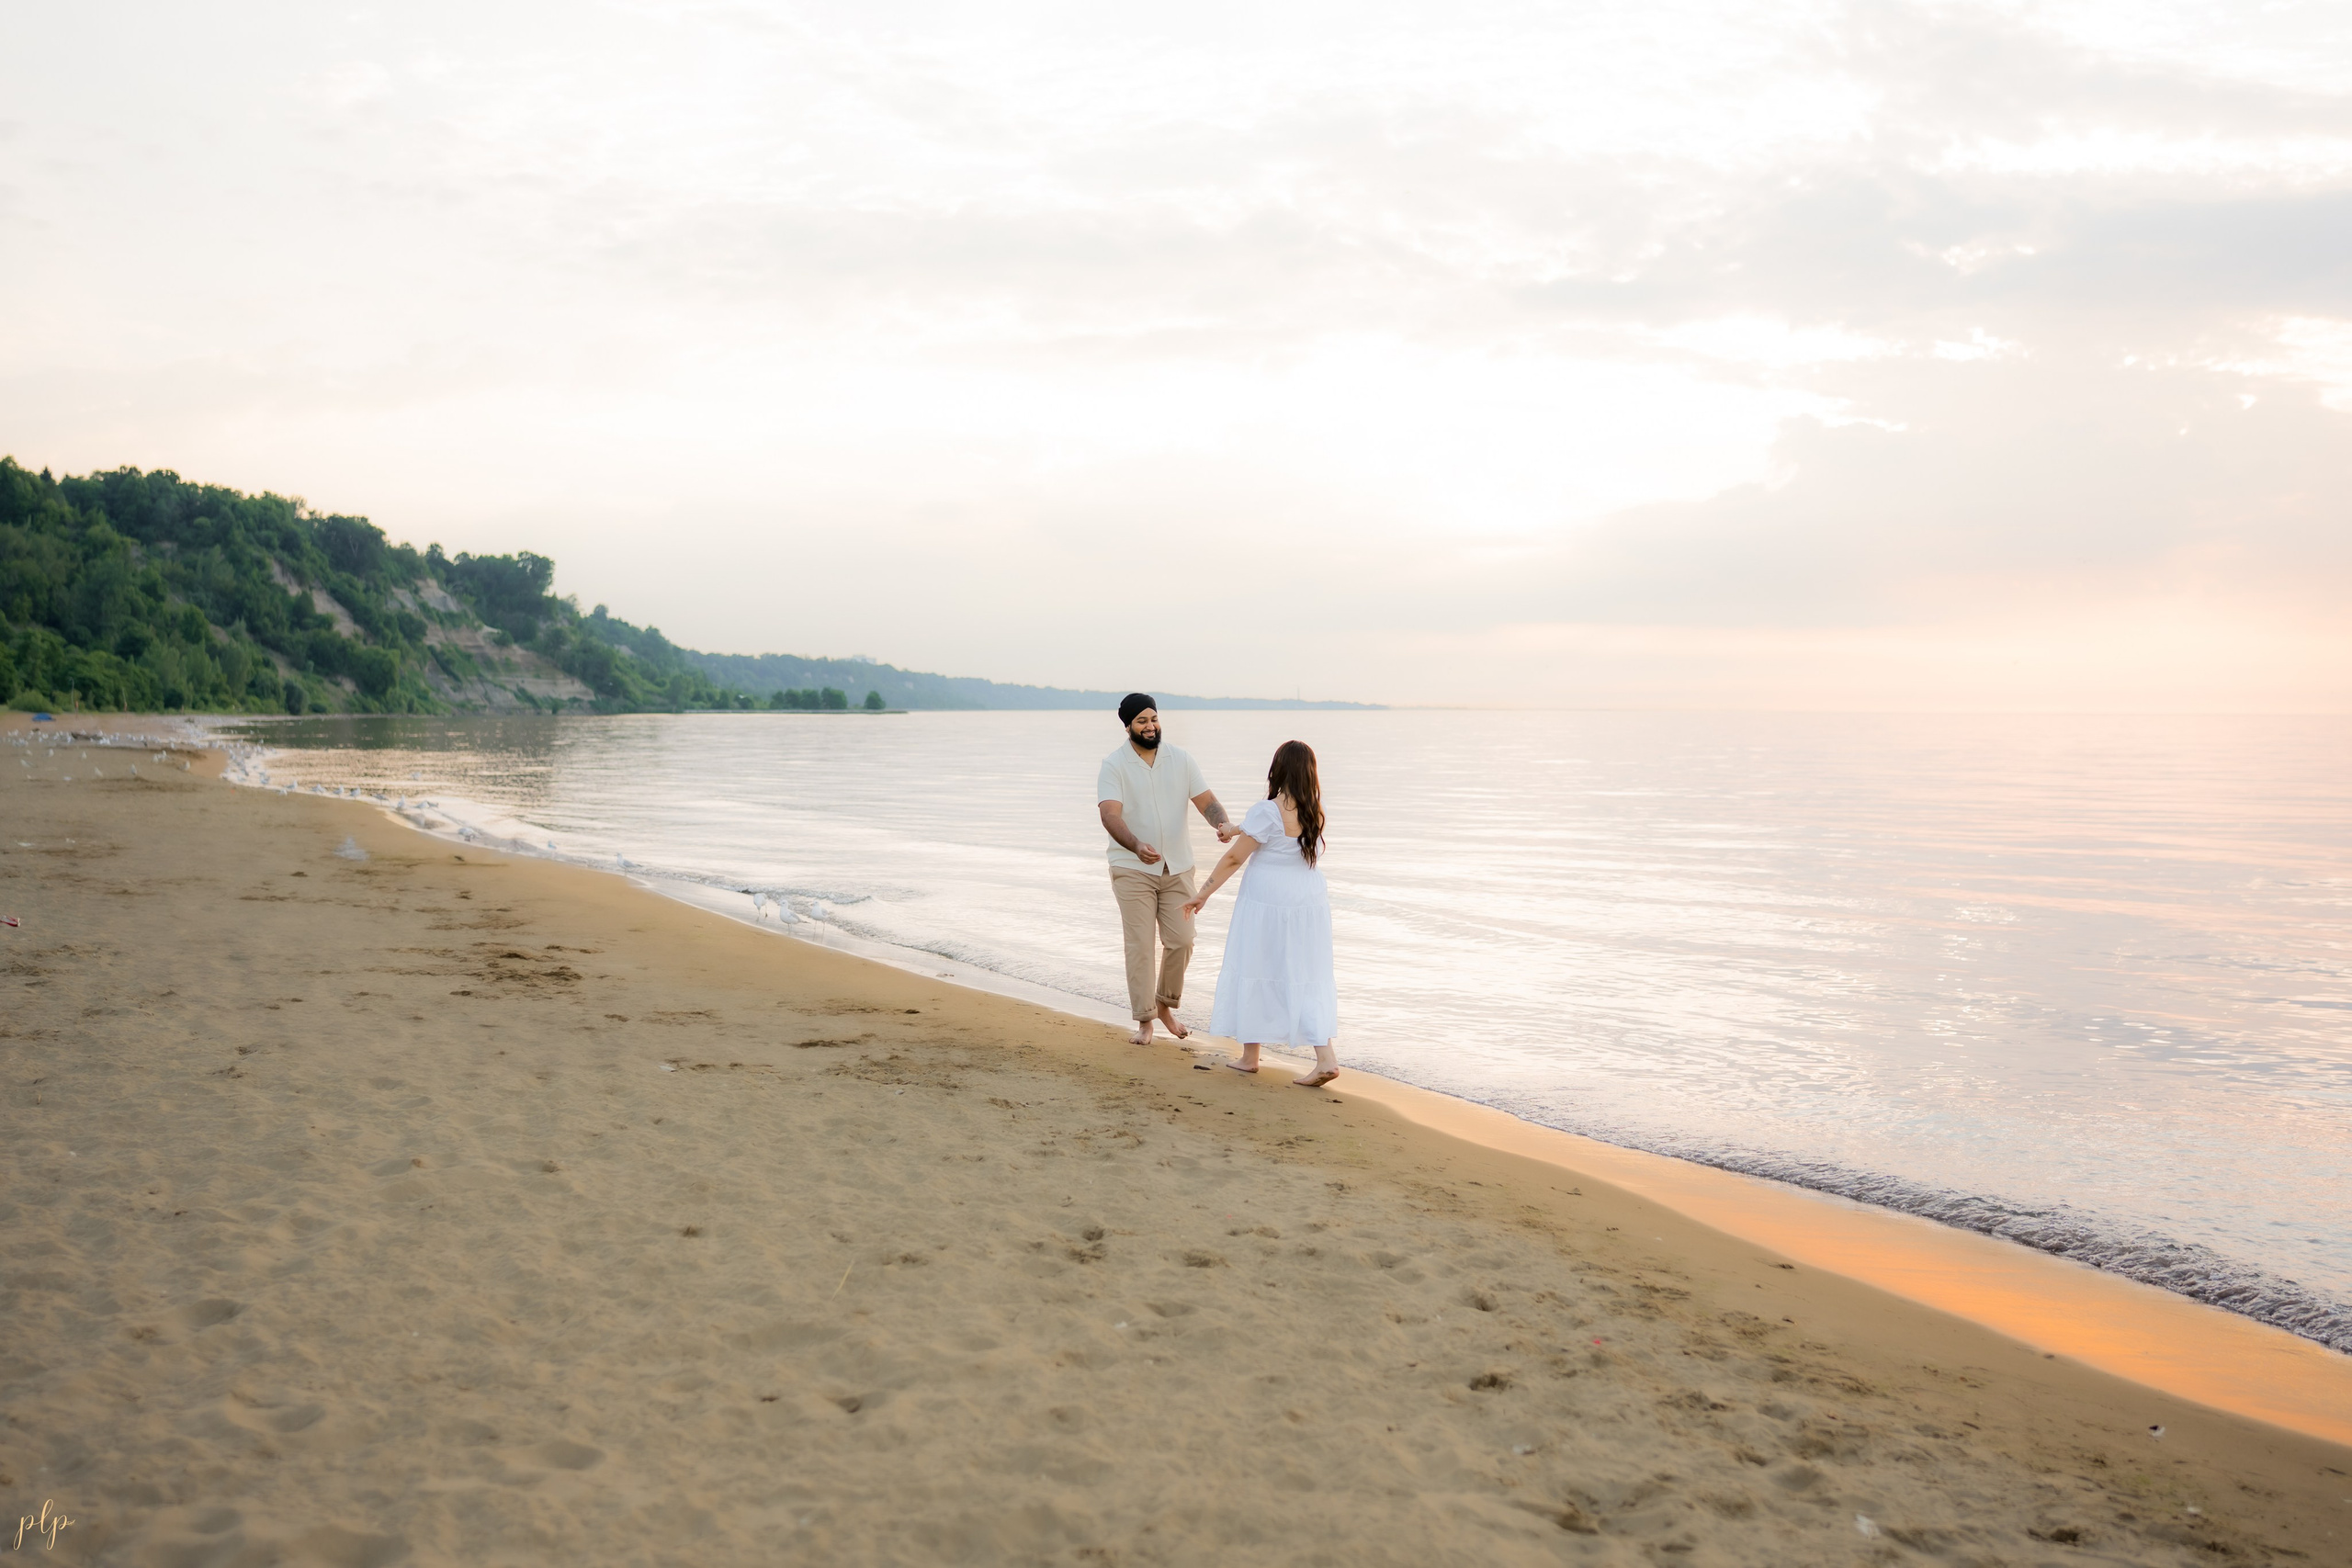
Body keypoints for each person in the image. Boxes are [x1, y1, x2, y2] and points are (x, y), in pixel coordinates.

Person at [1184, 739, 1339, 1088]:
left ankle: (1251, 1056)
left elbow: (1235, 858)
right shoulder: (1316, 808)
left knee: (1255, 963)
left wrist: (1202, 894)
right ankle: (1324, 1056)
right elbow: (1267, 831)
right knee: (1304, 972)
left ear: (1277, 769)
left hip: (1268, 902)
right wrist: (1235, 828)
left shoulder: (1268, 810)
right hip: (1308, 902)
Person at [1097, 694, 1238, 1046]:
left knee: (1183, 940)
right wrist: (1135, 845)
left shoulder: (1181, 759)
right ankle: (1145, 1021)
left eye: (1154, 719)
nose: (1150, 726)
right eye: (1142, 721)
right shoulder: (1114, 765)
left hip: (1177, 868)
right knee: (1141, 946)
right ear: (1128, 725)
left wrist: (1221, 824)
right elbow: (1110, 815)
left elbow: (1207, 802)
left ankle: (1164, 1005)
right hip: (1132, 868)